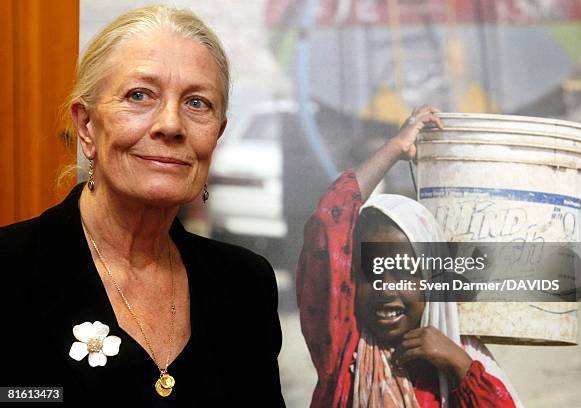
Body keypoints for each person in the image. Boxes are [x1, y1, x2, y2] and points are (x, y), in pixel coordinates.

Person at [0, 5, 284, 406]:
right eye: (139, 95)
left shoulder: (245, 285)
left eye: (197, 103)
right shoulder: (10, 272)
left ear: (216, 135)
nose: (171, 124)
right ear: (86, 126)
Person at [296, 105, 523, 407]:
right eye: (372, 273)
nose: (386, 289)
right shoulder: (342, 346)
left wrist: (460, 367)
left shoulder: (459, 362)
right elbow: (329, 220)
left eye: (403, 272)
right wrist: (395, 148)